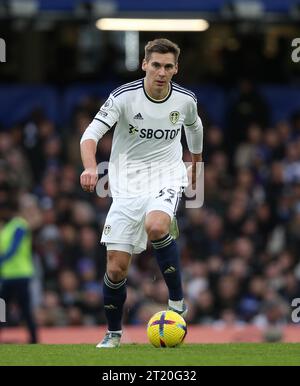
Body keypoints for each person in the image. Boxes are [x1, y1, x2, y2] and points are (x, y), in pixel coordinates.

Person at [80, 38, 203, 348]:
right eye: (156, 65)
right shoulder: (123, 97)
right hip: (125, 187)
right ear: (145, 65)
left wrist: (196, 163)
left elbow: (194, 127)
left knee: (157, 226)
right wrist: (90, 167)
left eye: (168, 66)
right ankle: (113, 333)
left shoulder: (186, 100)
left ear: (176, 68)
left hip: (166, 175)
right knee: (116, 268)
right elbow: (90, 134)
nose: (161, 72)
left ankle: (176, 301)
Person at [0, 185, 38, 344]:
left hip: (21, 274)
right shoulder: (7, 228)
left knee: (24, 309)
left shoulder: (19, 226)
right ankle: (33, 338)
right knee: (3, 308)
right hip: (9, 275)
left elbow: (13, 249)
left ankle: (34, 339)